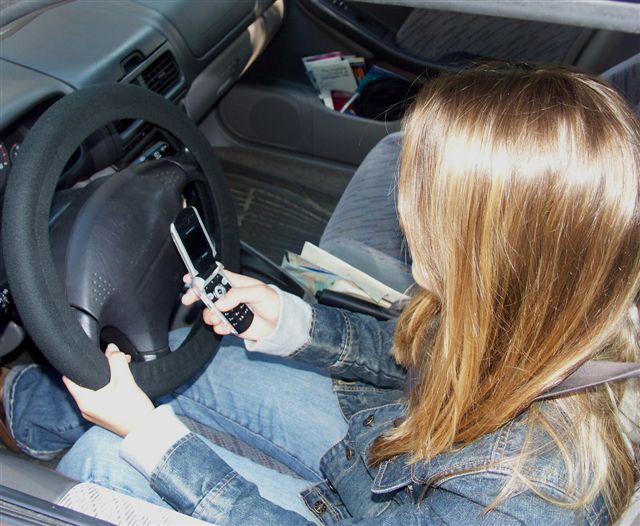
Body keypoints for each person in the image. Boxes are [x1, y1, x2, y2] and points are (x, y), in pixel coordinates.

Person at [2, 63, 640, 524]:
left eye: (421, 182)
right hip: (391, 454)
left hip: (375, 503)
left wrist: (147, 436)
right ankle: (24, 410)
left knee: (103, 463)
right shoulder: (545, 312)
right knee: (185, 353)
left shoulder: (524, 498)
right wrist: (290, 324)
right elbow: (413, 359)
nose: (400, 196)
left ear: (485, 246)